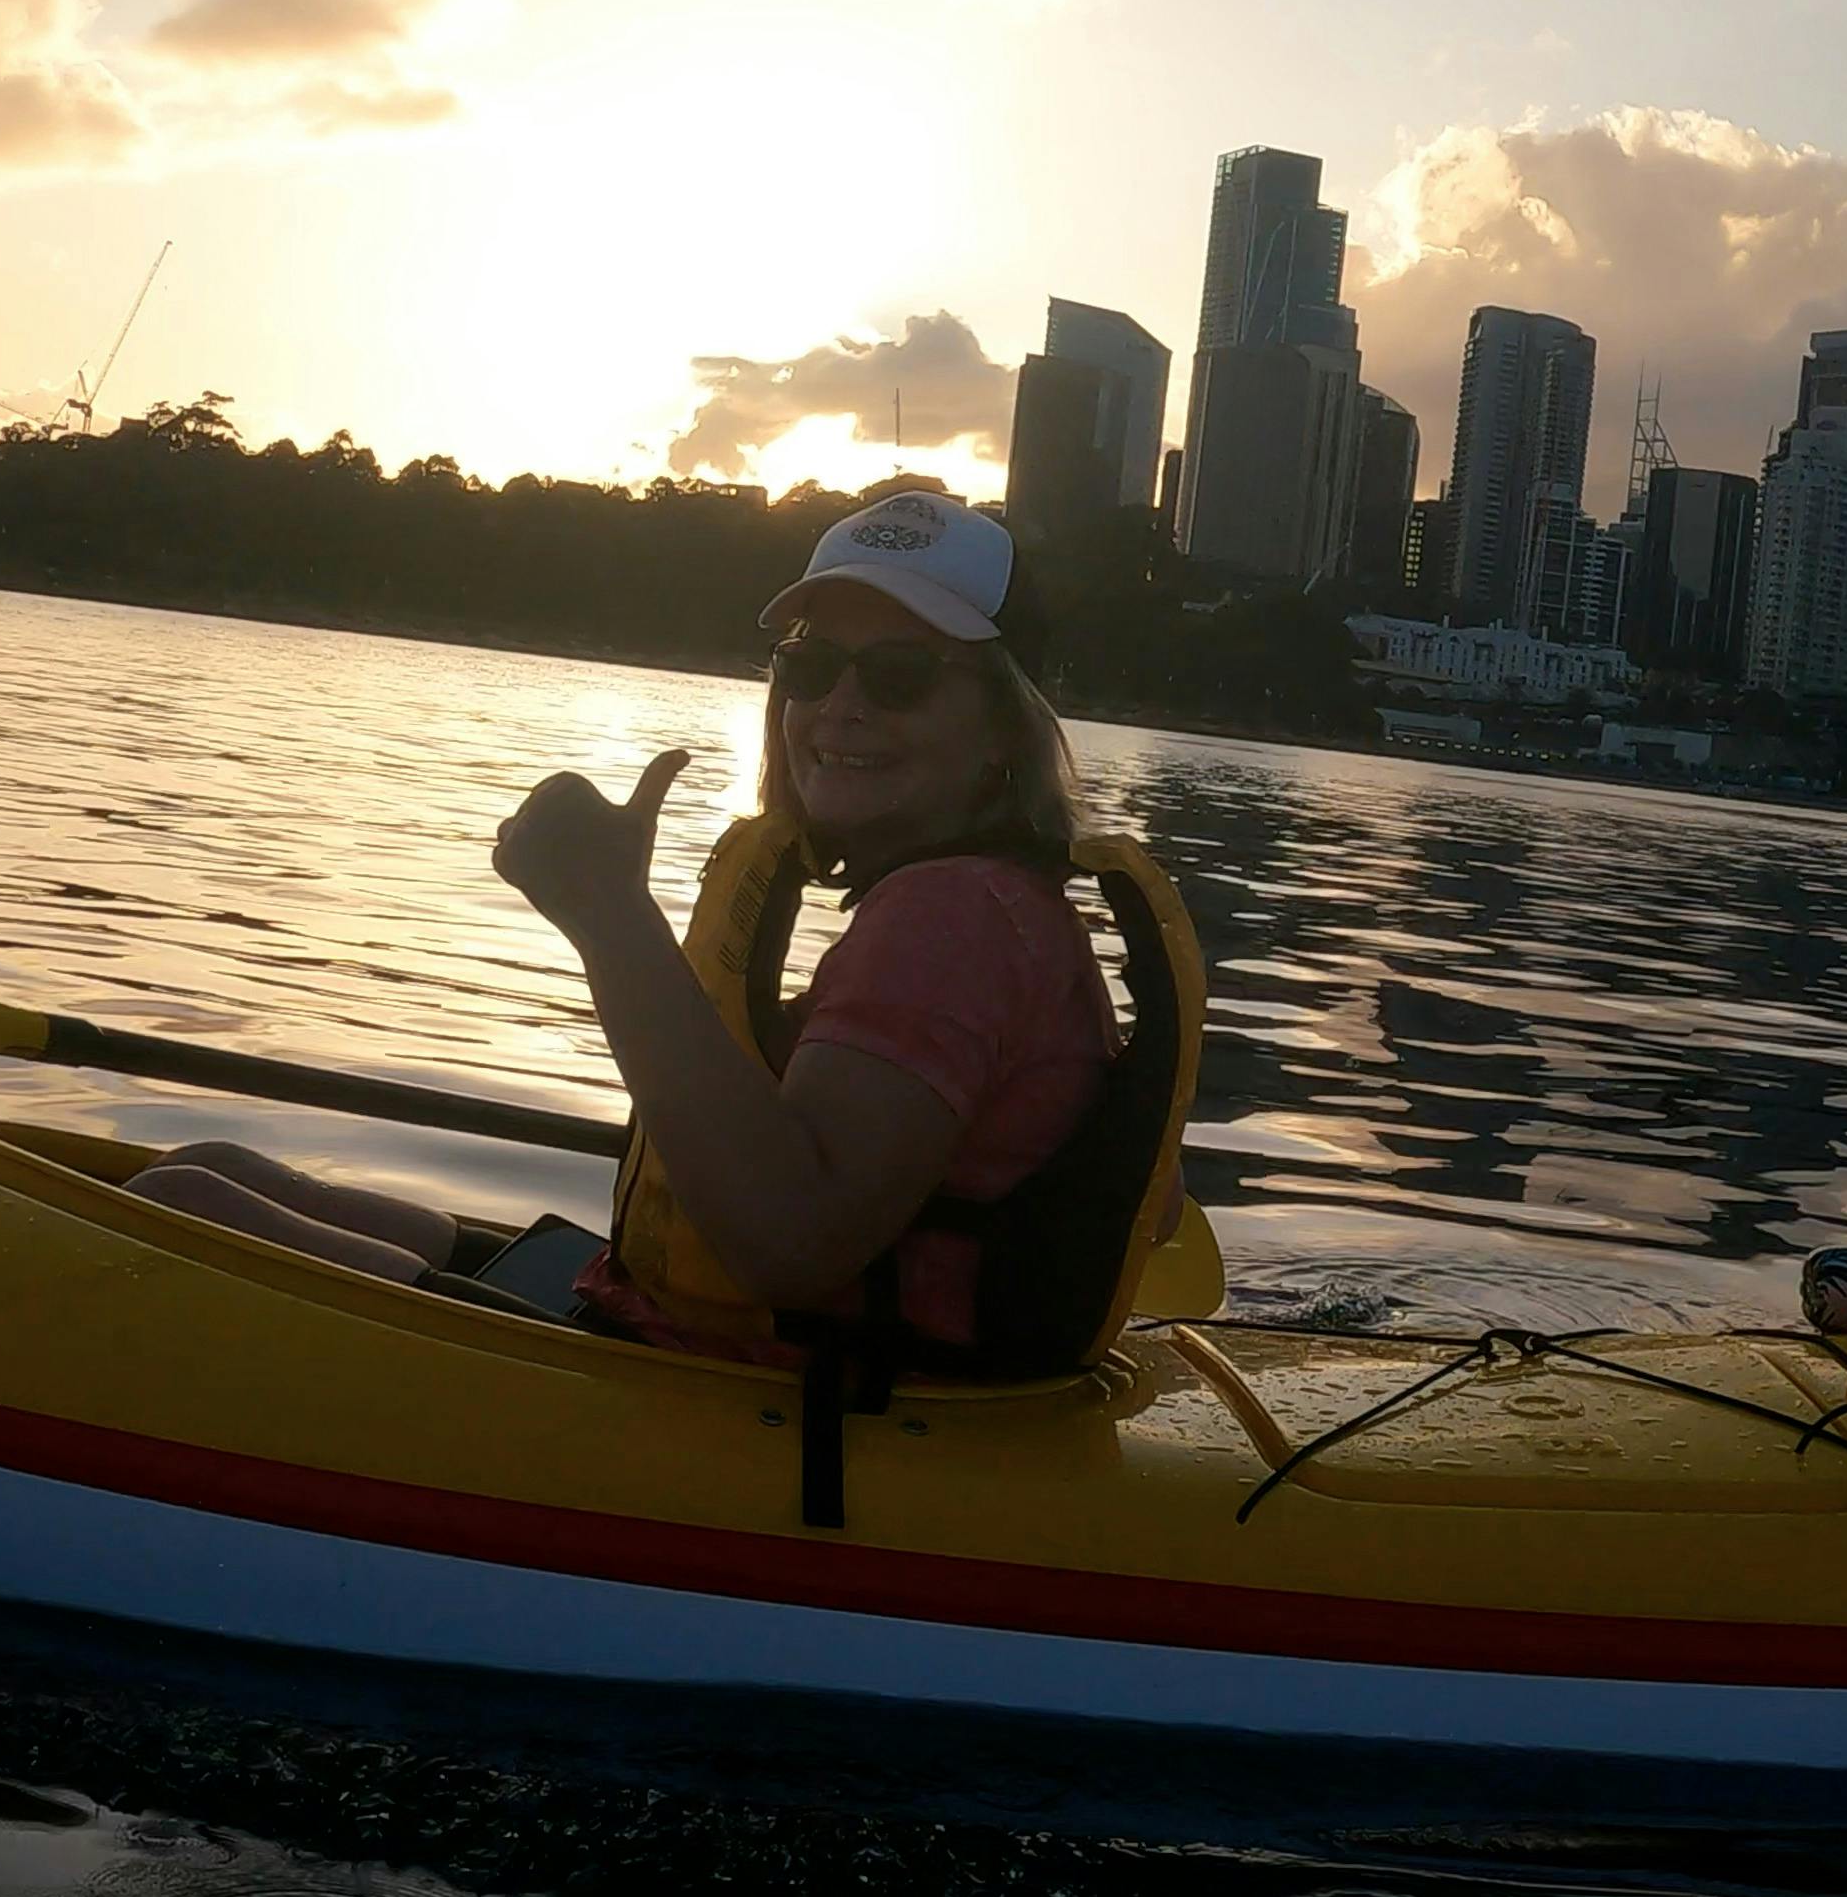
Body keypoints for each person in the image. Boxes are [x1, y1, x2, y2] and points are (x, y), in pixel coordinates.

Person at [132, 486, 1138, 1362]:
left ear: (1005, 724)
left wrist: (609, 918)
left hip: (756, 1389)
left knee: (177, 1215)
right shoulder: (989, 902)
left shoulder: (952, 916)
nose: (839, 707)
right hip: (698, 1333)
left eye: (900, 676)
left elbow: (789, 1246)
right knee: (206, 1167)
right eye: (809, 665)